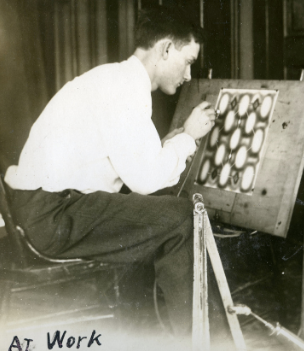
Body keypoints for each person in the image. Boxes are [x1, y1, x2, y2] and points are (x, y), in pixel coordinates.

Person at [2, 6, 225, 339]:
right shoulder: (125, 89)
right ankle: (207, 342)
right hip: (52, 216)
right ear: (165, 49)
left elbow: (133, 160)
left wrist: (172, 142)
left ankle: (173, 333)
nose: (189, 76)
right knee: (182, 217)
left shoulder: (114, 78)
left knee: (161, 212)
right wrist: (190, 137)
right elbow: (146, 180)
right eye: (189, 61)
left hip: (36, 208)